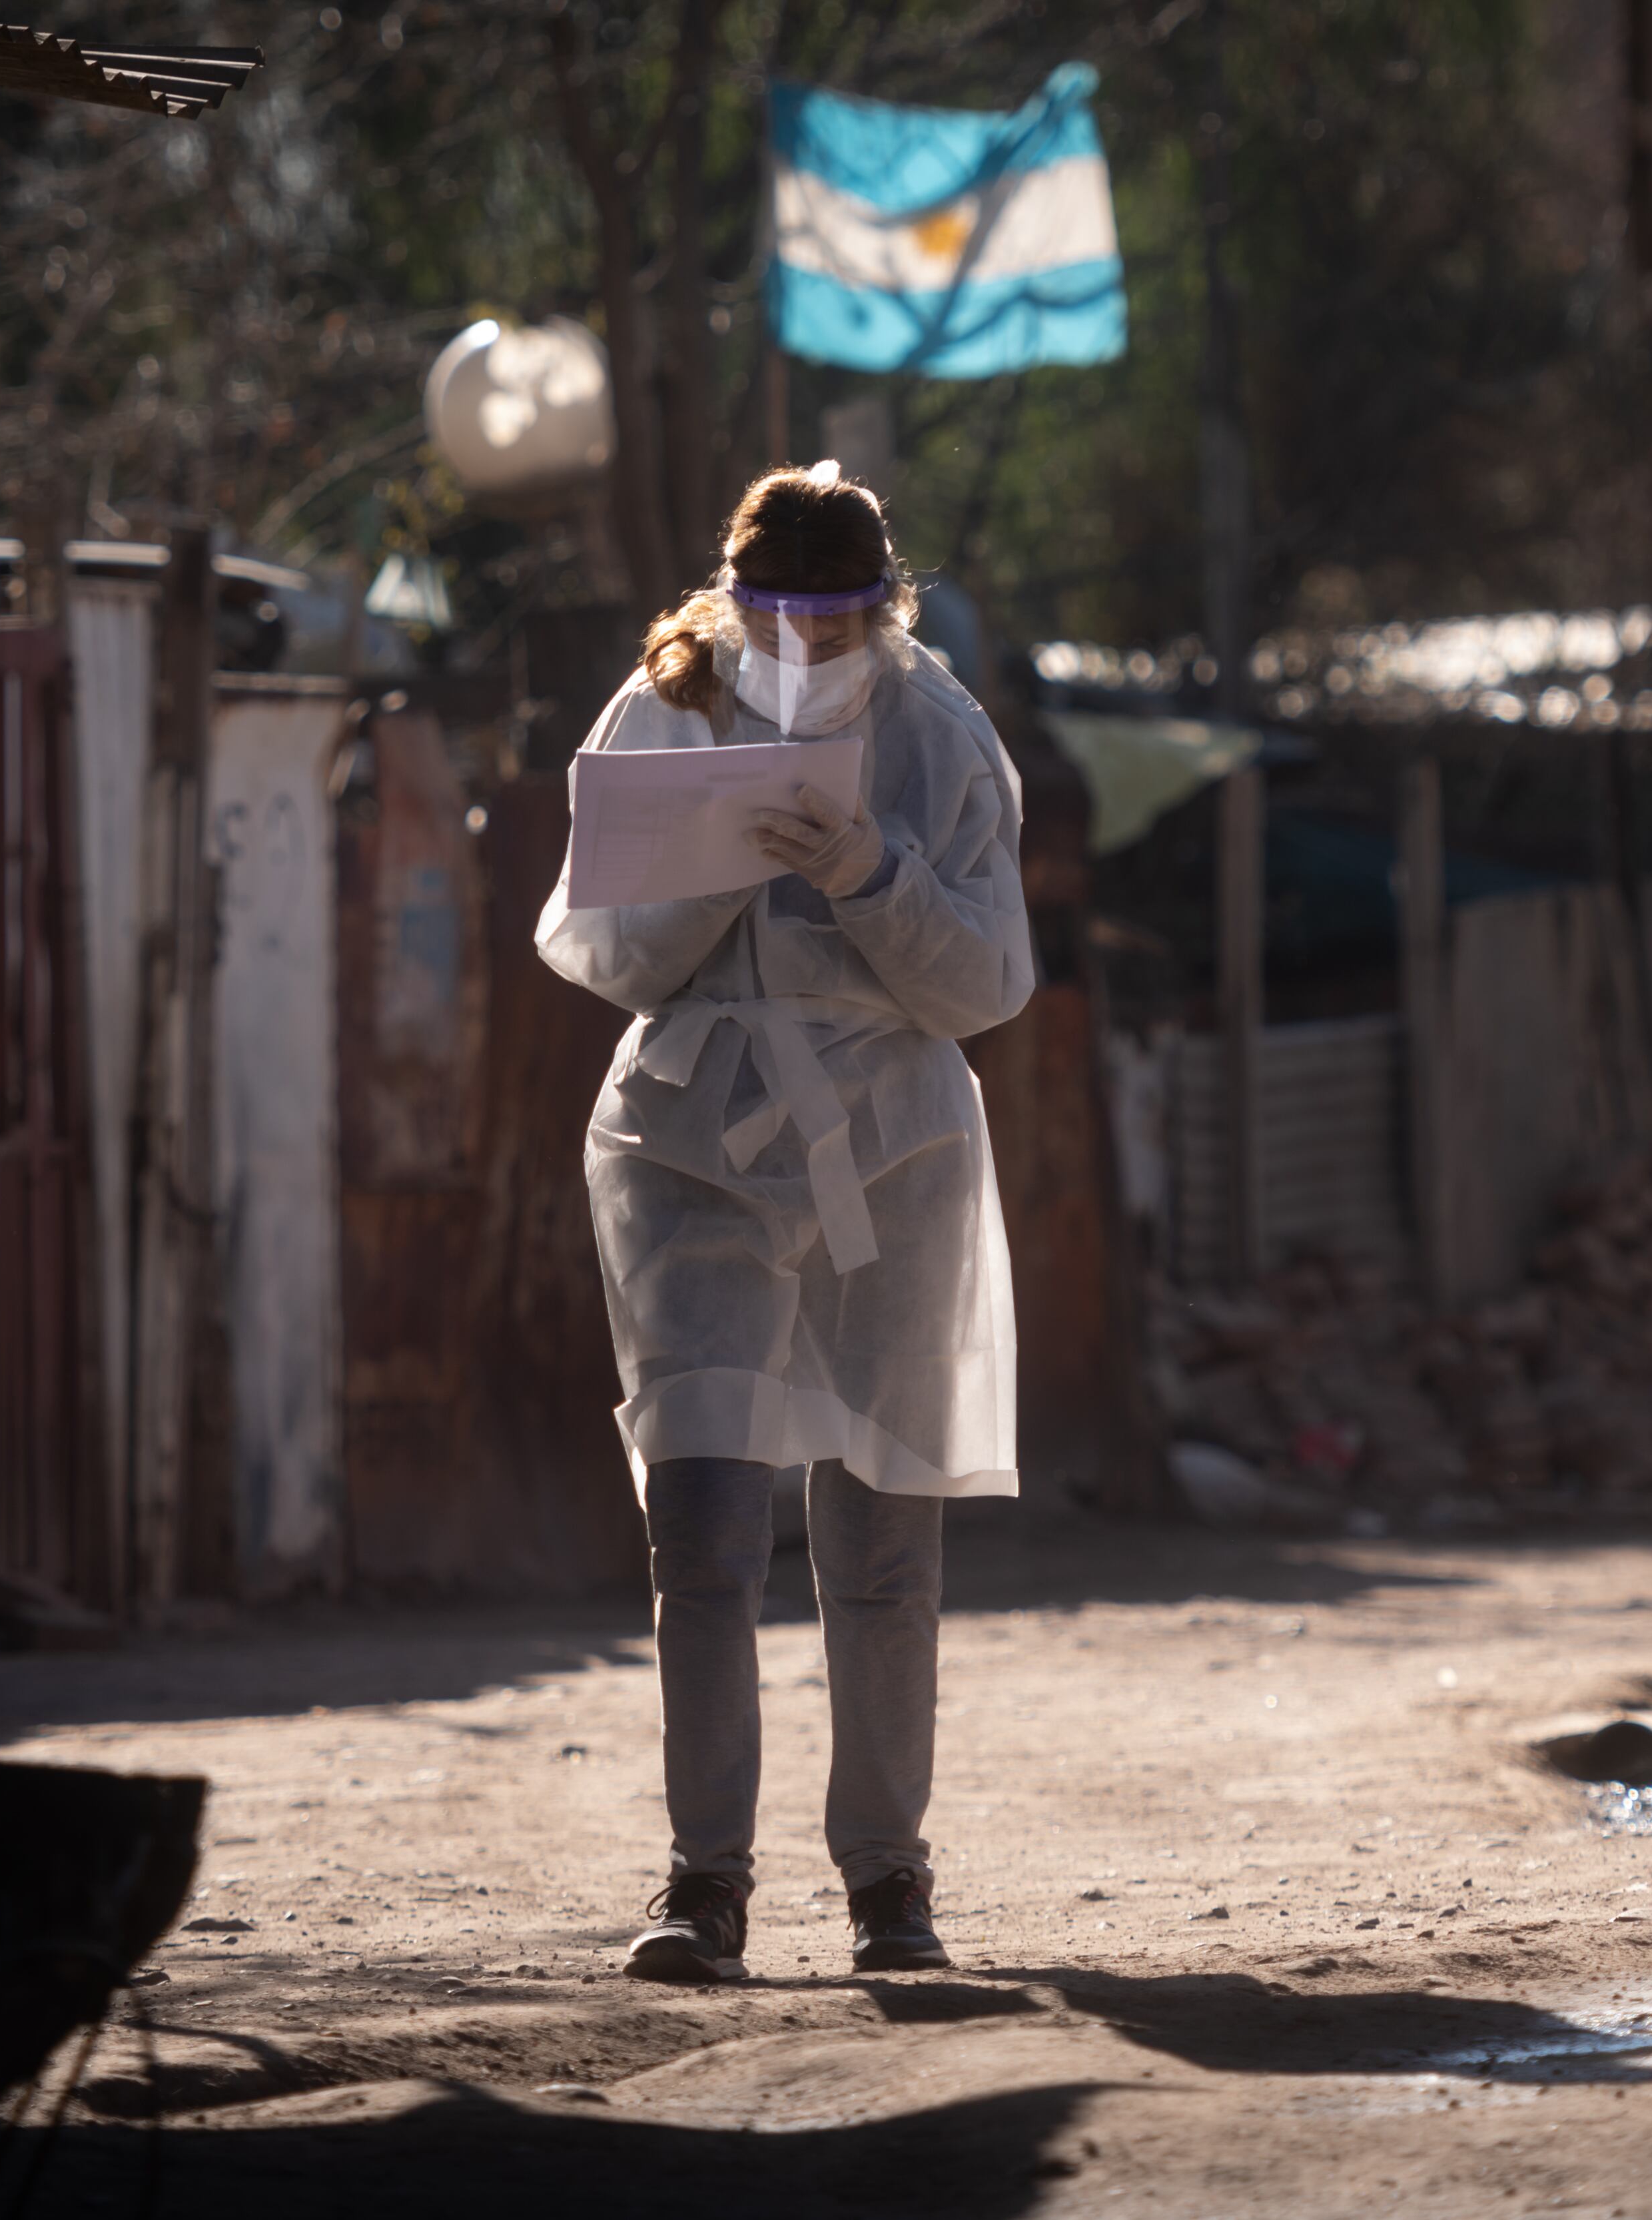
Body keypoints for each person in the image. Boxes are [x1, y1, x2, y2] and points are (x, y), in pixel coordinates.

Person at [535, 463, 1032, 1983]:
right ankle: (706, 1881)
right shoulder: (666, 707)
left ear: (885, 605)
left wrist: (863, 868)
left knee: (880, 1529)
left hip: (889, 1142)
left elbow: (988, 983)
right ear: (732, 598)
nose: (800, 643)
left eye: (832, 617)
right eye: (773, 613)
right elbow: (606, 947)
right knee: (703, 1521)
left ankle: (889, 1878)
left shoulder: (936, 730)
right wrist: (718, 872)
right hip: (691, 1134)